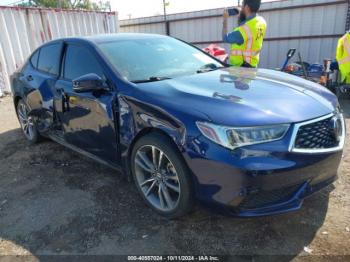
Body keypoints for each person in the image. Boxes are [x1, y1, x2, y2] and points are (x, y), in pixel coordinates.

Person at [222, 0, 267, 68]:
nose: (241, 7)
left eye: (242, 5)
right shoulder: (262, 21)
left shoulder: (243, 30)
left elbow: (225, 38)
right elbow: (247, 24)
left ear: (247, 7)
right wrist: (242, 14)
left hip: (241, 70)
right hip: (252, 65)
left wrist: (225, 20)